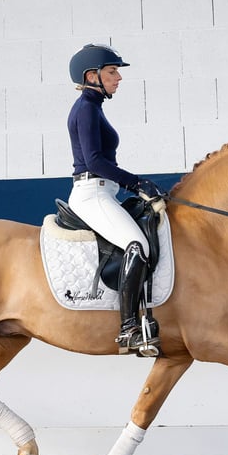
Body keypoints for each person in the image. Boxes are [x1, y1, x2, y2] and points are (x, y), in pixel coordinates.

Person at [67, 43, 164, 356]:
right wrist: (137, 184)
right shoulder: (85, 109)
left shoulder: (93, 107)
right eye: (112, 71)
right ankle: (129, 329)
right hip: (92, 193)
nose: (118, 77)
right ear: (91, 75)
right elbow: (94, 161)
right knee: (137, 245)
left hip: (103, 191)